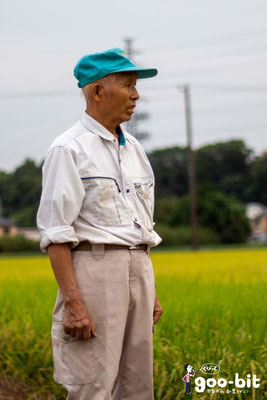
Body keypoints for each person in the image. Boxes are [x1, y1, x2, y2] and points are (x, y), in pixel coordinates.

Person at [36, 48, 163, 400]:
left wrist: (149, 290)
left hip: (138, 266)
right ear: (97, 91)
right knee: (93, 384)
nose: (136, 95)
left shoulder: (134, 148)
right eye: (128, 85)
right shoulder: (68, 148)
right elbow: (56, 233)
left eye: (136, 86)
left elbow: (139, 224)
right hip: (94, 270)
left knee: (137, 385)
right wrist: (75, 305)